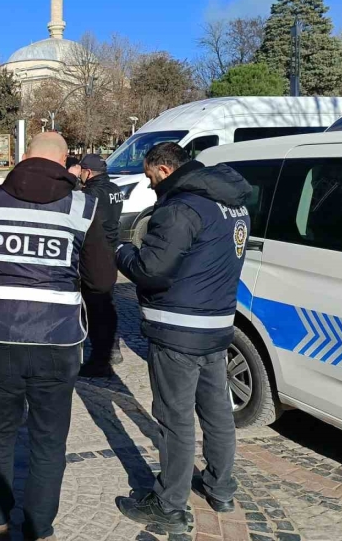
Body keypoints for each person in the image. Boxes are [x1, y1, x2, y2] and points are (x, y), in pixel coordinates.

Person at [0, 132, 97, 541]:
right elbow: (103, 278)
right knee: (48, 440)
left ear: (23, 158)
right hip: (57, 341)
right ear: (64, 162)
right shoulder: (82, 206)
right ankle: (38, 527)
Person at [114, 142, 251, 532]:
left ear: (162, 169)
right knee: (217, 412)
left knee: (175, 419)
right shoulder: (232, 203)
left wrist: (123, 251)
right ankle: (220, 488)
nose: (148, 182)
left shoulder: (181, 208)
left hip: (178, 330)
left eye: (148, 175)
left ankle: (170, 504)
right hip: (218, 325)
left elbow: (152, 270)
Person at [71, 154, 125, 377]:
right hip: (111, 249)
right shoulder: (114, 188)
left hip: (94, 254)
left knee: (95, 307)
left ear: (88, 172)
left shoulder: (90, 194)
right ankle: (112, 348)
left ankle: (100, 360)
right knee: (107, 303)